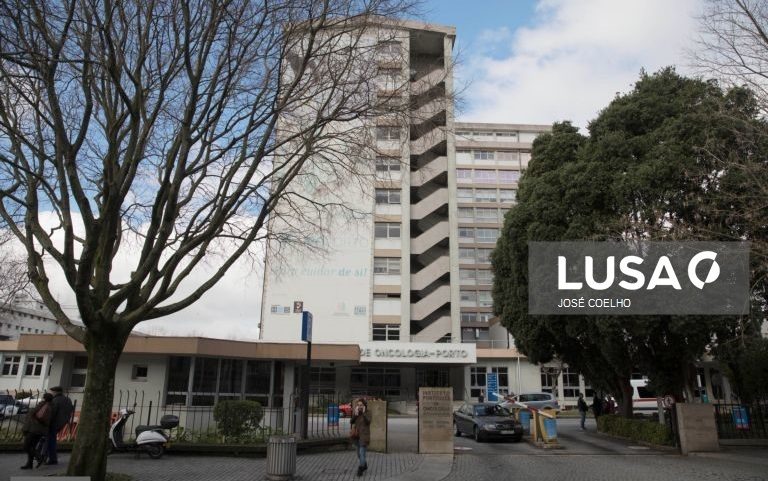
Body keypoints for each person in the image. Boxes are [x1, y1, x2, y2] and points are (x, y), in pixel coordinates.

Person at [20, 393, 53, 469]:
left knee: (26, 446)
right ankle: (29, 464)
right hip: (38, 429)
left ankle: (39, 457)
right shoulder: (47, 405)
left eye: (43, 397)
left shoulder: (44, 405)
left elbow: (38, 416)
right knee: (32, 447)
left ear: (44, 398)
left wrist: (32, 413)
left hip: (35, 429)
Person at [47, 386, 74, 465]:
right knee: (51, 439)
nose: (51, 393)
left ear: (55, 392)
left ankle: (52, 458)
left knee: (50, 440)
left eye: (52, 392)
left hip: (54, 423)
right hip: (63, 422)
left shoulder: (55, 400)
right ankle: (50, 456)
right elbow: (71, 409)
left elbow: (52, 412)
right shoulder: (68, 399)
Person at [350, 398, 372, 477]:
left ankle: (360, 469)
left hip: (364, 436)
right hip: (357, 436)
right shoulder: (356, 413)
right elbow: (351, 422)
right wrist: (355, 414)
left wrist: (363, 413)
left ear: (364, 406)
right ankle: (365, 464)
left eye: (361, 405)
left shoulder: (368, 412)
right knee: (359, 454)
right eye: (358, 405)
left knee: (362, 453)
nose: (359, 406)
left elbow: (368, 421)